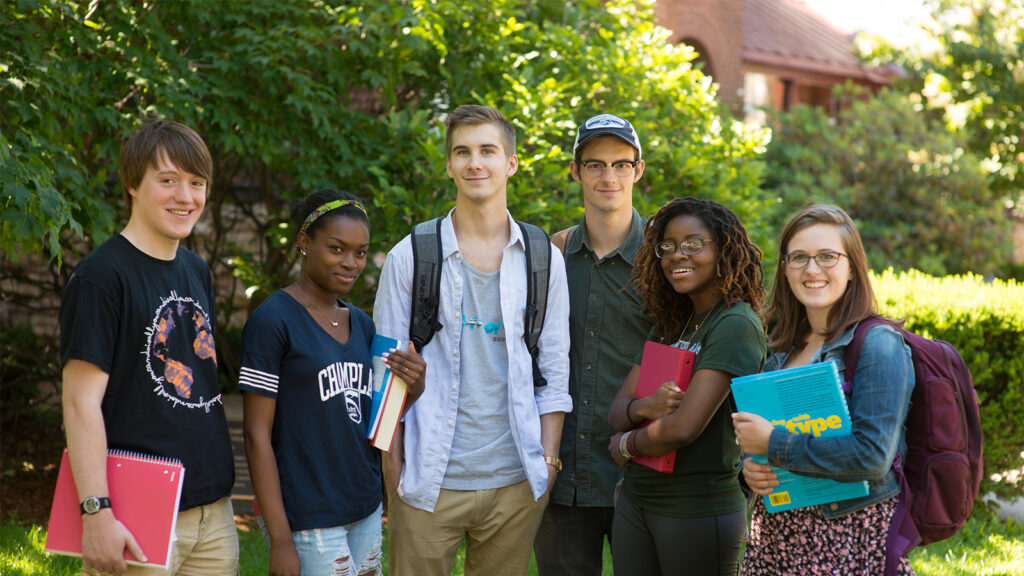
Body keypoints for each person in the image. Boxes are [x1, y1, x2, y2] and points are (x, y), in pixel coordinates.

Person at [373, 104, 571, 576]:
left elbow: (555, 368)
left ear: (511, 163)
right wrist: (392, 472)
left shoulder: (542, 259)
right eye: (462, 152)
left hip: (516, 480)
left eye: (488, 150)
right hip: (427, 479)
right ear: (449, 165)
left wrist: (547, 462)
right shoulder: (411, 256)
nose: (475, 163)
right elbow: (385, 373)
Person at [59, 118, 238, 575]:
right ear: (133, 184)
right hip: (137, 506)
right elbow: (81, 403)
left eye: (197, 183)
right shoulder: (100, 278)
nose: (186, 196)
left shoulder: (196, 270)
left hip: (212, 507)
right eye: (168, 180)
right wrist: (95, 511)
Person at [239, 189, 426, 576]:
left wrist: (412, 390)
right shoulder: (273, 320)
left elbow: (370, 422)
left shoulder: (362, 323)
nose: (351, 263)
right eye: (337, 248)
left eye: (360, 252)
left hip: (364, 506)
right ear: (304, 244)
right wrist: (280, 539)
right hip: (309, 516)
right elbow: (256, 436)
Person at [732, 204, 915, 575]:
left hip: (847, 543)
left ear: (851, 268)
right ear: (785, 269)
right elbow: (760, 447)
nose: (812, 269)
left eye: (827, 257)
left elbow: (873, 457)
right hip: (775, 542)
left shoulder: (878, 344)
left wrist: (774, 445)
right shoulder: (780, 350)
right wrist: (750, 471)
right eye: (798, 258)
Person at [606, 197, 767, 576]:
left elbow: (682, 428)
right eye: (668, 246)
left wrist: (627, 444)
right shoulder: (673, 323)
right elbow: (617, 412)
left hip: (695, 509)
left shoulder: (735, 324)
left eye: (694, 244)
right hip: (636, 499)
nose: (678, 255)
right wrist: (644, 408)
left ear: (723, 250)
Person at [534, 113, 655, 575]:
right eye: (595, 164)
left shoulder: (664, 259)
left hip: (640, 470)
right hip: (566, 474)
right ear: (575, 170)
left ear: (638, 170)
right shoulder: (551, 255)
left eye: (621, 165)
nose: (609, 176)